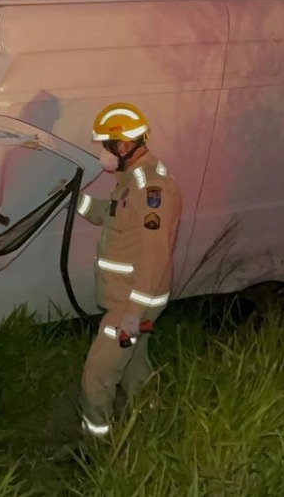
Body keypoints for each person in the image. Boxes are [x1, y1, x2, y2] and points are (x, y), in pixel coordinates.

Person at [75, 102, 182, 437]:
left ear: (123, 145)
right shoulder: (131, 180)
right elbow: (114, 214)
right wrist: (76, 202)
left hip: (132, 301)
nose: (103, 154)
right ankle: (150, 429)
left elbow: (155, 255)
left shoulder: (152, 189)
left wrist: (134, 313)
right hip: (127, 298)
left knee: (97, 376)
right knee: (135, 368)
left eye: (106, 146)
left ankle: (97, 445)